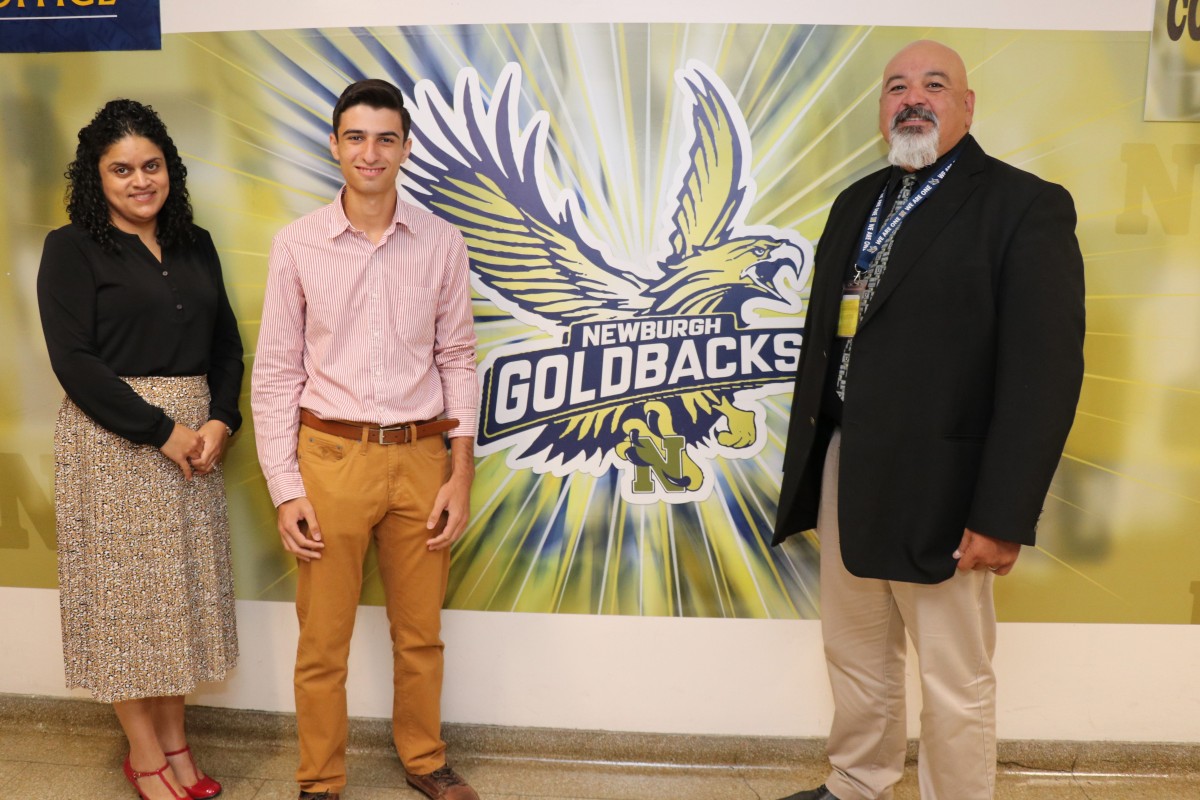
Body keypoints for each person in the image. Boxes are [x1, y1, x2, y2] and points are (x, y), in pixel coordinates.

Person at [771, 41, 1085, 800]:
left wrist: (1002, 512)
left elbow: (1044, 375)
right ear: (882, 110)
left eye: (934, 85)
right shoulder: (856, 204)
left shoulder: (1023, 206)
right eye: (896, 88)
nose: (912, 99)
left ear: (967, 106)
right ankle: (857, 780)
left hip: (948, 488)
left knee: (953, 672)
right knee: (854, 650)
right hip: (847, 463)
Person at [251, 79, 479, 800]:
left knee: (421, 635)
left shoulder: (442, 242)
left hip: (421, 458)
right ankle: (320, 779)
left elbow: (459, 360)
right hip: (331, 459)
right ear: (334, 146)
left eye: (385, 138)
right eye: (356, 137)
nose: (370, 152)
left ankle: (424, 760)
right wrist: (286, 489)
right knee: (323, 642)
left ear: (406, 148)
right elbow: (277, 373)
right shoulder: (297, 245)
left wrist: (460, 474)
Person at [37, 99, 243, 800]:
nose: (139, 180)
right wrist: (164, 431)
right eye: (121, 169)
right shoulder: (70, 248)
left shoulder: (197, 242)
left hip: (196, 442)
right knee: (128, 608)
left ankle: (180, 744)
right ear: (97, 178)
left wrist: (218, 419)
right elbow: (75, 363)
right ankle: (145, 755)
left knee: (175, 601)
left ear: (169, 171)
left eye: (150, 165)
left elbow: (226, 347)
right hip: (114, 442)